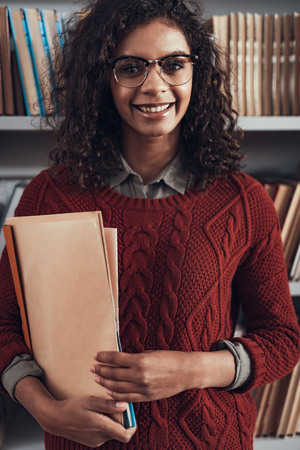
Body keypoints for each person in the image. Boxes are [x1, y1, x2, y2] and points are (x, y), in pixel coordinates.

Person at [0, 0, 299, 448]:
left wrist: (191, 369)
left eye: (173, 65)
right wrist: (44, 409)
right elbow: (3, 323)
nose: (154, 85)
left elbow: (282, 339)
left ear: (196, 73)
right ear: (104, 78)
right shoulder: (51, 195)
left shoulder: (242, 201)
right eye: (130, 67)